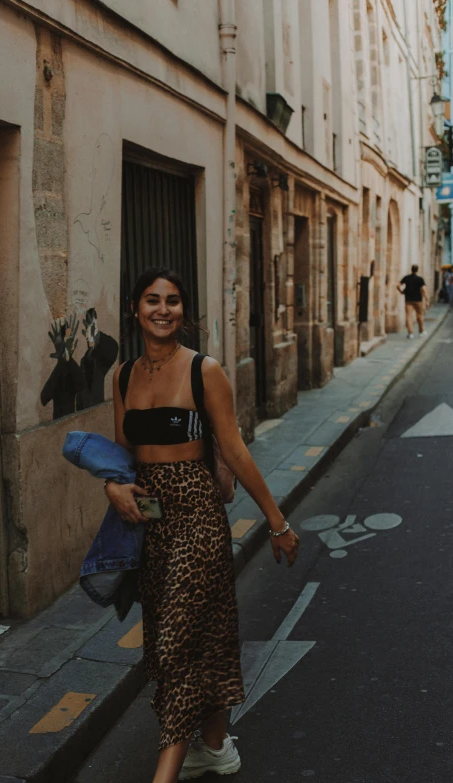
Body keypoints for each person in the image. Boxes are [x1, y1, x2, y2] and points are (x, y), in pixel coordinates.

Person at [105, 268, 300, 783]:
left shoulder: (203, 370)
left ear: (183, 313)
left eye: (172, 301)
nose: (162, 310)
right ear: (135, 309)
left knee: (173, 645)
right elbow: (124, 456)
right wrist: (112, 486)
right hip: (151, 523)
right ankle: (214, 748)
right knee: (202, 637)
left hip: (197, 517)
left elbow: (233, 448)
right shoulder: (122, 376)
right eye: (152, 300)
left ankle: (164, 772)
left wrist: (278, 524)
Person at [396, 265, 429, 339]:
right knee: (420, 315)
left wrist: (401, 291)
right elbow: (424, 289)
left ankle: (410, 333)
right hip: (418, 300)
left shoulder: (406, 278)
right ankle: (421, 331)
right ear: (417, 270)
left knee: (408, 316)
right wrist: (427, 300)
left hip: (408, 300)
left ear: (411, 270)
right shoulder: (420, 279)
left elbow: (398, 285)